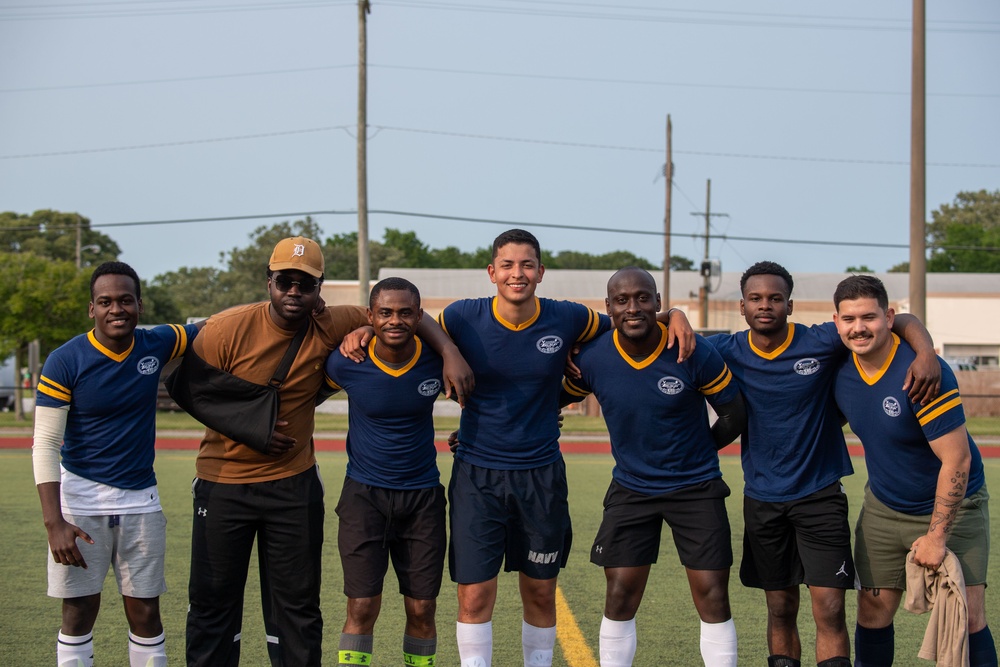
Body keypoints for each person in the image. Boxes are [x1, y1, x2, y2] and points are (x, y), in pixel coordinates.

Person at [183, 237, 472, 667]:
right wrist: (253, 429)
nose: (294, 292)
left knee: (297, 608)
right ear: (269, 282)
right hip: (224, 482)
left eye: (306, 283)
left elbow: (405, 316)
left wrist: (447, 349)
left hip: (293, 484)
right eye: (285, 281)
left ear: (320, 289)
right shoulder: (228, 327)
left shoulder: (339, 322)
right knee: (214, 604)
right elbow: (187, 387)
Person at [434, 230, 695, 667]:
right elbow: (409, 319)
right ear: (491, 272)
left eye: (527, 265)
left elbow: (631, 318)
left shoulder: (569, 318)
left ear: (541, 272)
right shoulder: (463, 317)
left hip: (541, 476)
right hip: (477, 475)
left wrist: (676, 314)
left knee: (540, 588)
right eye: (508, 265)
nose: (517, 273)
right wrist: (445, 350)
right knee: (475, 593)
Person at [704, 261, 940, 667]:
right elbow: (666, 336)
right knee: (780, 608)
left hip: (820, 496)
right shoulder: (727, 350)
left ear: (790, 305)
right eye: (756, 299)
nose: (766, 306)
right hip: (762, 499)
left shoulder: (822, 340)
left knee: (829, 609)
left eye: (775, 298)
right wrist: (671, 314)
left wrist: (927, 353)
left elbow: (899, 319)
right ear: (742, 307)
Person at [561, 267, 745, 667]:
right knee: (620, 592)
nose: (633, 307)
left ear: (659, 302)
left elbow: (734, 413)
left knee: (712, 593)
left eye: (643, 298)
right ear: (608, 307)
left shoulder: (690, 348)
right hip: (632, 487)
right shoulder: (593, 358)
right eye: (622, 300)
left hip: (696, 486)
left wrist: (700, 450)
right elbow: (543, 400)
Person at [32, 261, 202, 667]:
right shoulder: (65, 360)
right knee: (78, 610)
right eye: (105, 302)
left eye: (125, 300)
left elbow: (214, 326)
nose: (116, 309)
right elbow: (45, 444)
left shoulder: (156, 343)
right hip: (79, 505)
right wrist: (55, 523)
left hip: (140, 503)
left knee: (145, 612)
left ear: (140, 305)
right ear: (92, 308)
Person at [832, 274, 997, 667]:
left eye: (869, 317)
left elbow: (957, 460)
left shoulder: (924, 373)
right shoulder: (838, 368)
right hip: (884, 508)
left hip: (955, 507)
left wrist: (938, 536)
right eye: (849, 319)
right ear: (835, 321)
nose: (859, 327)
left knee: (968, 617)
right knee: (871, 614)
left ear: (889, 317)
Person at [322, 277, 447, 667]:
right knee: (361, 606)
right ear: (370, 316)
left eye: (406, 312)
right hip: (364, 498)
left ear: (419, 316)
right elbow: (301, 395)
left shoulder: (436, 358)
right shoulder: (346, 361)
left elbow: (491, 395)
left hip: (422, 498)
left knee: (423, 608)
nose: (396, 320)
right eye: (386, 313)